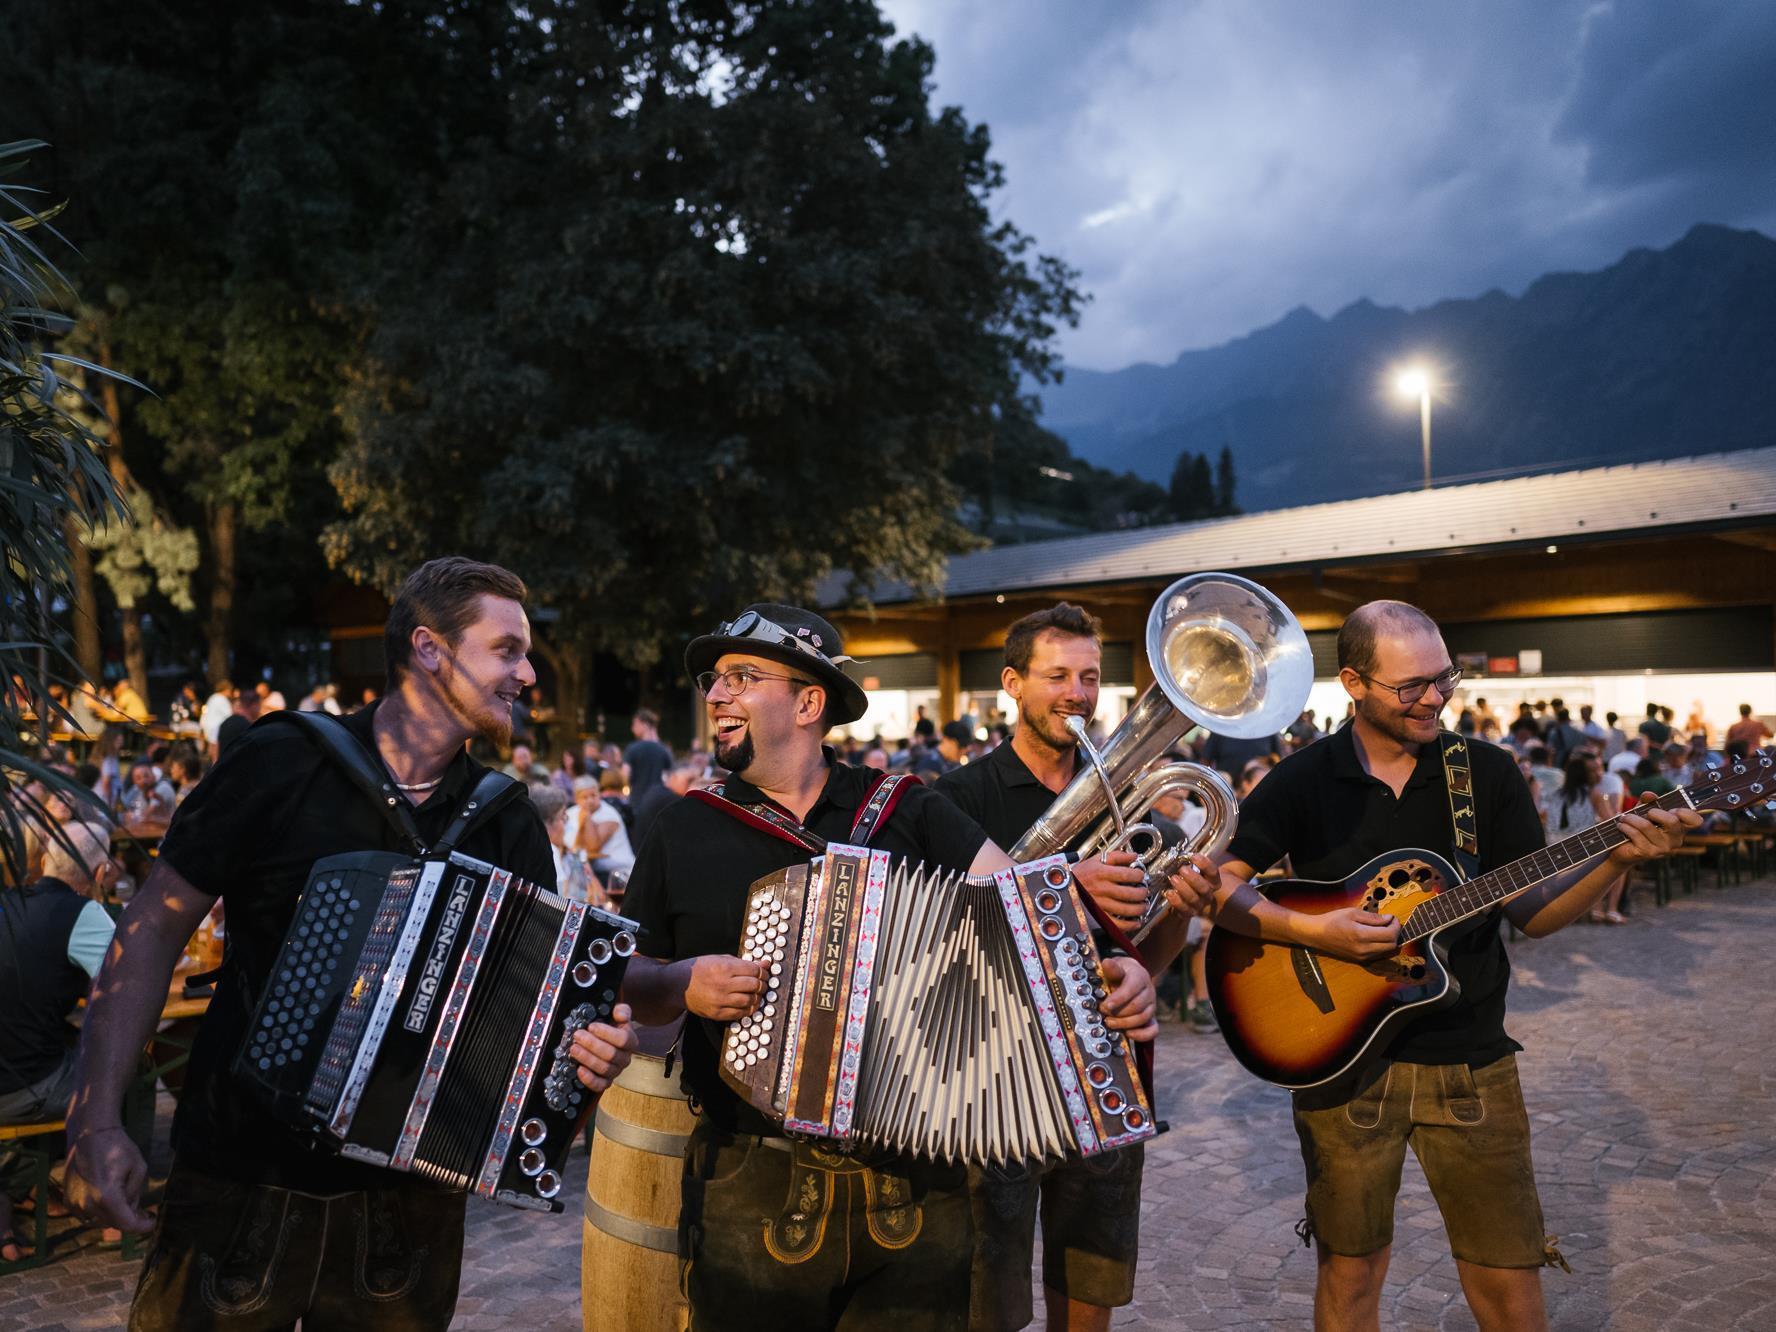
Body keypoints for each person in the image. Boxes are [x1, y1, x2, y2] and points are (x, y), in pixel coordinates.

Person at [62, 557, 636, 1330]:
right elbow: (155, 923)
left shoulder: (505, 819)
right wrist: (96, 1121)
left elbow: (534, 1023)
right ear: (430, 650)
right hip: (241, 1178)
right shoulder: (282, 761)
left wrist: (587, 1056)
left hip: (407, 1208)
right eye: (507, 650)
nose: (529, 674)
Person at [1144, 599, 1697, 1332]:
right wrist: (1320, 936)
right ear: (1353, 683)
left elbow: (1533, 913)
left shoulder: (1487, 775)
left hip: (1472, 1061)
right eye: (1412, 687)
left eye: (1445, 678)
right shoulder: (1303, 779)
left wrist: (1614, 859)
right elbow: (1220, 888)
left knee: (1508, 1278)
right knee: (1350, 1274)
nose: (1435, 698)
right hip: (1339, 1064)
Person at [620, 602, 1160, 1332]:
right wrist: (679, 983)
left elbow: (1026, 911)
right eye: (714, 680)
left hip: (915, 1179)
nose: (716, 694)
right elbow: (634, 984)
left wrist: (1108, 971)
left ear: (809, 702)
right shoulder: (682, 827)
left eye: (741, 677)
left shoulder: (907, 809)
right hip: (752, 1173)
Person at [931, 602, 1209, 1332]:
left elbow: (1145, 958)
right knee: (984, 1289)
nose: (1078, 694)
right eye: (1057, 676)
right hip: (996, 1070)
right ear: (1013, 685)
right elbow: (937, 942)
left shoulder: (1134, 800)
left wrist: (1179, 909)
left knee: (1092, 1279)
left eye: (1089, 677)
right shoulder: (956, 799)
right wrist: (1061, 885)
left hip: (1108, 1062)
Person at [1, 822, 122, 1261]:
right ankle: (112, 1205)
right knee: (133, 1073)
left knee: (64, 1049)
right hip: (25, 1087)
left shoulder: (7, 902)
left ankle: (29, 1186)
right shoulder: (83, 914)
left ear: (44, 859)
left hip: (12, 1072)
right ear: (101, 870)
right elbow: (120, 989)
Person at [567, 772, 638, 879]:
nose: (590, 801)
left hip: (618, 873)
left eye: (593, 795)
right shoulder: (570, 813)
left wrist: (586, 818)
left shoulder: (609, 814)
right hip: (591, 871)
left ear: (599, 794)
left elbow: (593, 846)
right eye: (585, 797)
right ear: (576, 799)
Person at [629, 754, 702, 849]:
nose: (693, 784)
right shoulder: (670, 798)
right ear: (674, 777)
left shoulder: (658, 790)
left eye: (697, 780)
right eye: (690, 780)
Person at [624, 707, 673, 796]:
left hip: (637, 800)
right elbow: (669, 778)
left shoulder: (632, 748)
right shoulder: (665, 750)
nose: (632, 728)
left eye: (635, 724)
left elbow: (625, 775)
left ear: (645, 725)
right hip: (658, 799)